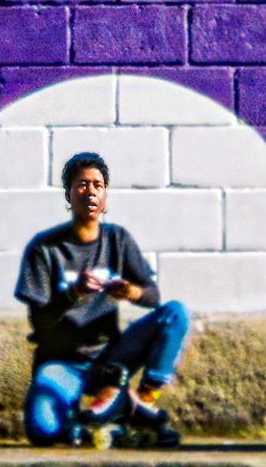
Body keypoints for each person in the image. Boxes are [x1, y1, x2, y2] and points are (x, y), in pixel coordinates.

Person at [13, 150, 190, 447]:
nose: (90, 192)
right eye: (82, 185)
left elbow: (152, 297)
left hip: (110, 357)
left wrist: (129, 291)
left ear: (106, 195)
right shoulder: (44, 248)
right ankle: (98, 426)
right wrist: (72, 293)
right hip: (62, 362)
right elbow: (39, 322)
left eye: (97, 185)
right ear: (68, 194)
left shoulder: (117, 240)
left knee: (175, 313)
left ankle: (139, 401)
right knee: (42, 430)